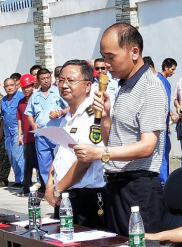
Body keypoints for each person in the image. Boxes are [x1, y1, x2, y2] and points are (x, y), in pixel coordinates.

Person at [72, 23, 168, 235]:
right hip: (116, 186)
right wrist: (105, 117)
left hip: (138, 189)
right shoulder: (125, 86)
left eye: (111, 57)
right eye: (103, 57)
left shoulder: (150, 87)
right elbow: (113, 141)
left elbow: (147, 146)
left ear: (134, 52)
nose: (106, 64)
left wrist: (100, 154)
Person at [45, 60, 106, 227]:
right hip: (64, 196)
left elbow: (84, 160)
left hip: (85, 199)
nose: (64, 85)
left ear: (88, 86)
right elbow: (60, 154)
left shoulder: (94, 114)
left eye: (71, 81)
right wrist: (50, 184)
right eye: (61, 80)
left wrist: (58, 189)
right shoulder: (68, 115)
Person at [25, 68, 68, 190]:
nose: (46, 81)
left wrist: (60, 112)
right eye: (43, 79)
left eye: (48, 78)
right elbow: (29, 113)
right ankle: (48, 187)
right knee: (44, 163)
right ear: (38, 80)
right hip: (41, 134)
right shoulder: (35, 95)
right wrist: (33, 124)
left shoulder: (58, 92)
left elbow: (69, 107)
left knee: (59, 159)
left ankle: (61, 186)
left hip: (56, 132)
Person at [145, 57, 172, 186]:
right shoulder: (150, 81)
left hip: (159, 127)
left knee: (161, 158)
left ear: (150, 68)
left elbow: (163, 107)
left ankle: (163, 185)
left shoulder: (160, 82)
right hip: (150, 127)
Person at [0, 77, 25, 189]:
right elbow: (3, 117)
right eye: (7, 86)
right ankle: (17, 178)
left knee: (18, 154)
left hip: (17, 129)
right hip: (7, 131)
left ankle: (22, 179)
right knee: (11, 156)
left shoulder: (21, 97)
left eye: (11, 85)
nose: (9, 87)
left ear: (16, 86)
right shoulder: (3, 100)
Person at [17, 73, 38, 195]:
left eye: (28, 87)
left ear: (33, 86)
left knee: (41, 164)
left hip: (38, 137)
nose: (26, 90)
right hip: (27, 138)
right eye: (24, 87)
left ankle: (44, 187)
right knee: (28, 164)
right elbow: (19, 119)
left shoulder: (37, 99)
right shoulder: (20, 103)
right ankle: (26, 187)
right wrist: (20, 135)